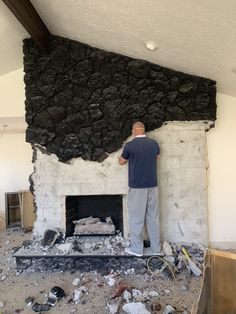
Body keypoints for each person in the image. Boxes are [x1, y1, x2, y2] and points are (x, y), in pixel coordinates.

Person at [119, 121, 162, 256]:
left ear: (133, 130)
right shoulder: (154, 144)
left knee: (136, 219)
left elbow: (121, 162)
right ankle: (156, 249)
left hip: (137, 187)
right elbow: (157, 157)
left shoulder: (130, 146)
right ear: (143, 130)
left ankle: (137, 249)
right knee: (153, 217)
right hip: (153, 185)